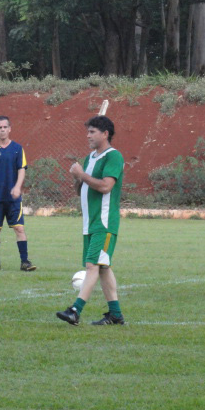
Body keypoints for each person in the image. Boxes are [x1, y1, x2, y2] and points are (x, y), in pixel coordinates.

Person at [56, 115, 125, 326]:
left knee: (92, 264)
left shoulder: (113, 156)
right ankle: (115, 315)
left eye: (92, 132)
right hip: (90, 223)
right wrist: (77, 177)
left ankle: (75, 310)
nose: (88, 136)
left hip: (104, 223)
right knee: (103, 267)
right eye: (88, 132)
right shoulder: (89, 158)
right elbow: (81, 190)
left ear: (105, 134)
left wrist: (82, 174)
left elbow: (105, 186)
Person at [0, 116, 36, 271]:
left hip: (13, 198)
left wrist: (17, 187)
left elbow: (21, 169)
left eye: (5, 127)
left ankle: (25, 262)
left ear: (10, 129)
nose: (2, 130)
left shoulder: (17, 148)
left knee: (19, 229)